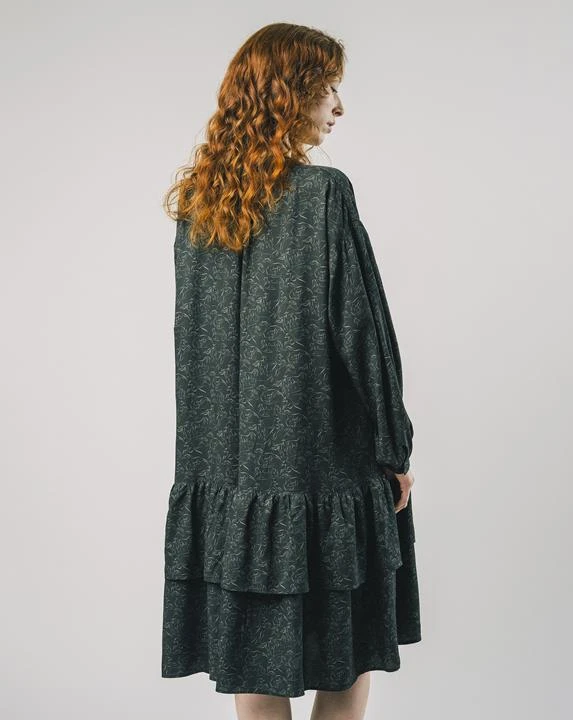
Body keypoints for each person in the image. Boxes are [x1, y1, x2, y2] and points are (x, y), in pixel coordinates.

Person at [161, 22, 421, 720]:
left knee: (252, 652)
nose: (339, 107)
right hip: (322, 463)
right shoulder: (324, 193)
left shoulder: (199, 207)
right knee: (349, 647)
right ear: (288, 93)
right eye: (328, 89)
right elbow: (363, 334)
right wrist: (393, 447)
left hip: (228, 469)